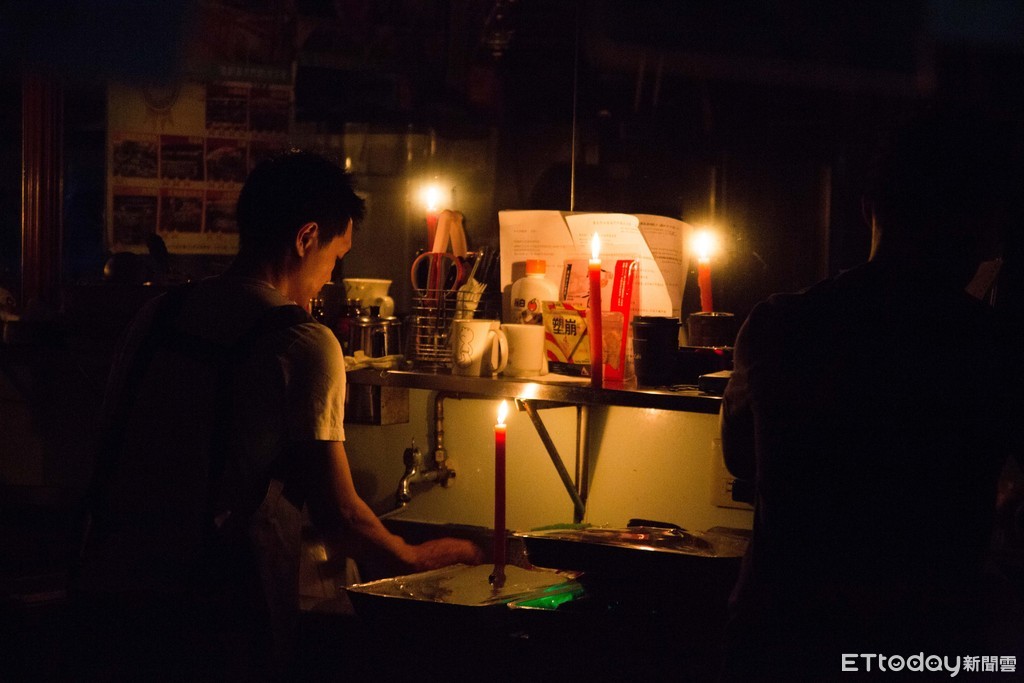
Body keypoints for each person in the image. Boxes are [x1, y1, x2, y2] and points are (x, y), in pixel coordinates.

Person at [65, 151, 482, 680]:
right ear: (307, 238)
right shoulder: (300, 340)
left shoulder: (159, 312)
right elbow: (340, 516)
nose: (330, 277)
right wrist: (417, 557)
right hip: (214, 615)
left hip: (109, 590)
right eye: (335, 258)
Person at [719, 106, 1024, 680]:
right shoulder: (992, 348)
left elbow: (740, 459)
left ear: (869, 211)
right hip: (920, 642)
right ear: (982, 229)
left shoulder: (778, 325)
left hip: (780, 637)